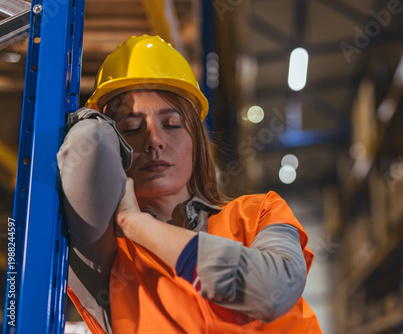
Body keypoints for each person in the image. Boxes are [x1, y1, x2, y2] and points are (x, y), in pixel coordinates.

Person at [57, 35, 322, 333]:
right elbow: (88, 142)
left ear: (195, 140)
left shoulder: (259, 213)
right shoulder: (109, 258)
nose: (154, 141)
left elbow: (275, 289)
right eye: (130, 128)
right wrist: (96, 119)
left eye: (171, 124)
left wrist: (135, 223)